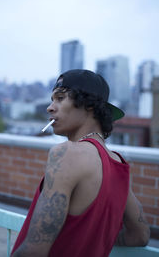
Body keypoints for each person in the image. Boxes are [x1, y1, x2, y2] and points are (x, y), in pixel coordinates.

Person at [11, 69, 150, 257]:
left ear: (89, 105)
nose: (50, 107)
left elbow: (35, 249)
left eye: (60, 98)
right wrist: (99, 240)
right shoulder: (118, 163)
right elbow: (140, 235)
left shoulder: (67, 153)